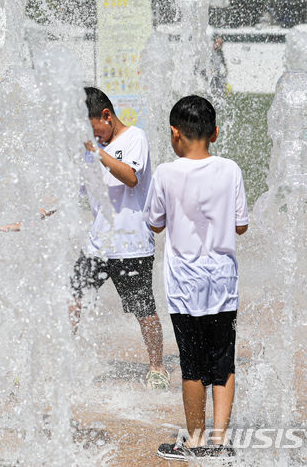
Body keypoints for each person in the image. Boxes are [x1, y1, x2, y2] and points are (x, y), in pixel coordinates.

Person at [147, 95, 248, 461]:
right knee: (223, 362)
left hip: (184, 287)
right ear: (215, 133)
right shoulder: (231, 169)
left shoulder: (165, 173)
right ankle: (220, 441)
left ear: (175, 134)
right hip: (223, 284)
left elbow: (155, 223)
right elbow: (241, 225)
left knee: (191, 365)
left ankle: (194, 441)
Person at [70, 87, 170, 390]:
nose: (93, 136)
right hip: (97, 245)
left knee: (144, 311)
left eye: (93, 129)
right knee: (72, 301)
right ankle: (58, 361)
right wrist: (33, 217)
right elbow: (73, 193)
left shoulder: (134, 138)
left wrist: (98, 152)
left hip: (132, 245)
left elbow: (131, 177)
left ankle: (157, 367)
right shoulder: (91, 151)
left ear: (106, 116)